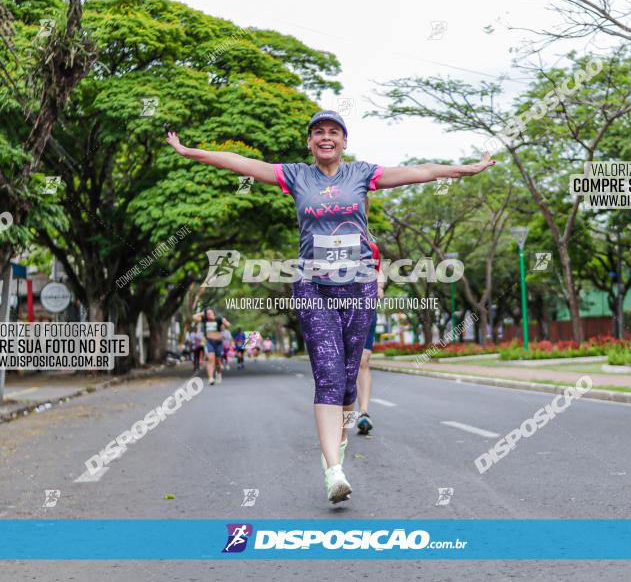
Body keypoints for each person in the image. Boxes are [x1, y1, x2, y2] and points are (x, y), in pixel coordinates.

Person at [166, 110, 494, 504]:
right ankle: (334, 470)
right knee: (327, 373)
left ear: (343, 141)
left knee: (348, 378)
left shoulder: (362, 175)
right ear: (309, 142)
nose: (326, 138)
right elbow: (240, 163)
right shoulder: (295, 176)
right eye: (318, 132)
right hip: (312, 285)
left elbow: (421, 170)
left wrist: (467, 169)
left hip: (358, 286)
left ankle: (335, 450)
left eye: (333, 132)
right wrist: (191, 152)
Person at [356, 238, 385, 435]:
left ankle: (364, 412)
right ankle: (340, 415)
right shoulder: (331, 239)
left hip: (365, 308)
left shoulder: (370, 245)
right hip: (336, 309)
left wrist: (380, 285)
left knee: (363, 360)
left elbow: (379, 271)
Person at [193, 308, 230, 385]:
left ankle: (219, 373)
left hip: (218, 343)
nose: (210, 314)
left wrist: (224, 322)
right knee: (210, 360)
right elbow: (194, 317)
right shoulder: (205, 320)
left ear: (214, 313)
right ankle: (210, 378)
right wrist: (202, 313)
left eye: (211, 313)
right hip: (209, 342)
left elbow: (228, 325)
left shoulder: (219, 319)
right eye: (208, 314)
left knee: (218, 362)